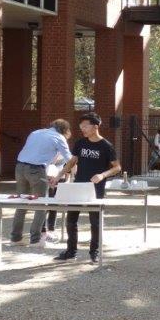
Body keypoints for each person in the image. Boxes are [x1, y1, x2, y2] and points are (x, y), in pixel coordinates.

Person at [52, 113, 120, 263]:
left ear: (95, 126)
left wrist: (102, 175)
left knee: (95, 222)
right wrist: (59, 176)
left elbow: (117, 167)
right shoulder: (80, 143)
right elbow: (72, 162)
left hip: (96, 188)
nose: (82, 129)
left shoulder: (106, 146)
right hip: (78, 186)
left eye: (85, 126)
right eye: (81, 126)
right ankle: (71, 252)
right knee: (71, 220)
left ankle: (94, 252)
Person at [10, 119, 72, 245]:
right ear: (65, 130)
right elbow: (70, 159)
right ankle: (36, 239)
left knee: (21, 202)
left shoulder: (36, 133)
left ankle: (16, 238)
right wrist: (66, 175)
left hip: (19, 167)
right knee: (41, 204)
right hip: (36, 169)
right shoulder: (59, 137)